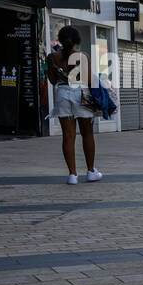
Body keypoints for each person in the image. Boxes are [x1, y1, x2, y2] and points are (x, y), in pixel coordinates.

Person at [46, 26, 102, 184]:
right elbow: (89, 80)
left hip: (63, 94)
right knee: (87, 133)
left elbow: (52, 80)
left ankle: (72, 175)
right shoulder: (82, 56)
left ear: (61, 40)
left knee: (68, 136)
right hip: (81, 94)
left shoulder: (52, 57)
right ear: (77, 40)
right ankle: (91, 171)